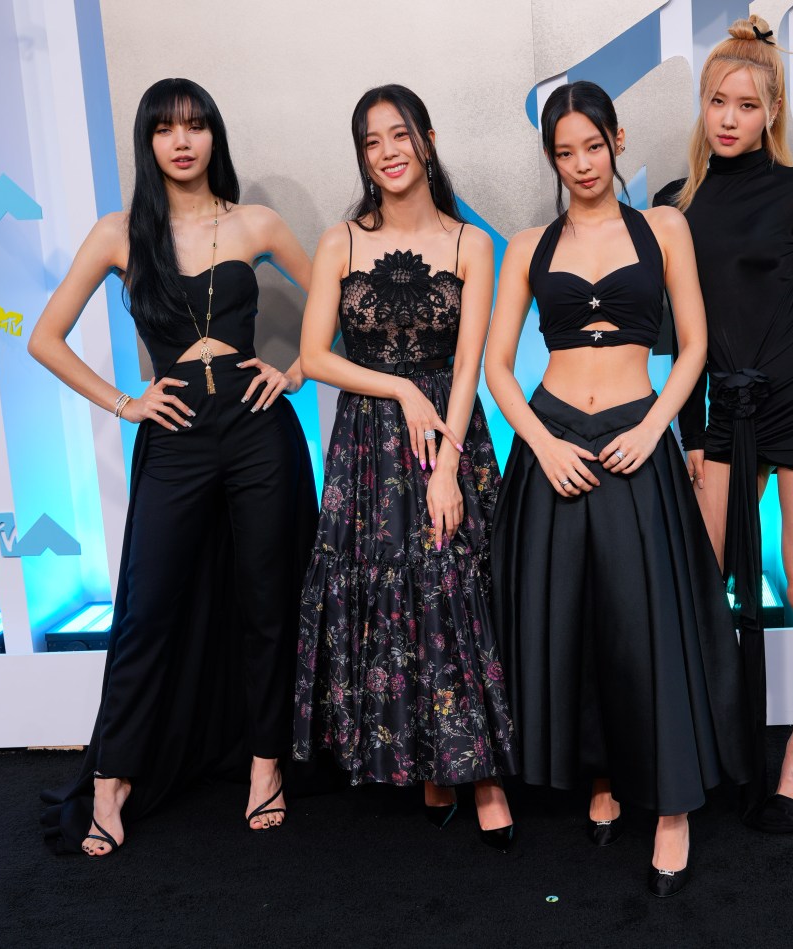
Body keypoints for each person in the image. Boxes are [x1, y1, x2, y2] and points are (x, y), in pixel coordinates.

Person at [30, 78, 317, 855]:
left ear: (215, 135)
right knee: (146, 608)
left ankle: (266, 764)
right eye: (166, 128)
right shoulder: (119, 234)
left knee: (268, 603)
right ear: (148, 142)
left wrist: (294, 371)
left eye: (195, 125)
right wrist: (126, 403)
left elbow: (337, 301)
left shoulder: (255, 223)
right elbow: (44, 337)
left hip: (258, 431)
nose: (182, 141)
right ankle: (111, 779)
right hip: (177, 433)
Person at [485, 80, 750, 896]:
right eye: (564, 153)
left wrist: (655, 425)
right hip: (554, 443)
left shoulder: (664, 227)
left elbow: (695, 344)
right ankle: (598, 776)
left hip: (638, 437)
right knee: (568, 623)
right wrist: (540, 442)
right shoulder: (528, 244)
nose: (581, 164)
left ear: (617, 140)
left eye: (592, 147)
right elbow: (497, 366)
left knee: (647, 626)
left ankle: (672, 808)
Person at [654, 15, 793, 833]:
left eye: (747, 105)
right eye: (718, 100)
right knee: (701, 582)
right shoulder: (673, 205)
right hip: (724, 411)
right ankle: (712, 743)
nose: (729, 118)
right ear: (702, 103)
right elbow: (678, 335)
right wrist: (688, 434)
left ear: (772, 113)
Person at [293, 84, 517, 851]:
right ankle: (427, 763)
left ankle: (482, 774)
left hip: (449, 438)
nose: (388, 152)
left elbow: (469, 365)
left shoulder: (469, 243)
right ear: (363, 157)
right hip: (369, 445)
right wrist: (397, 389)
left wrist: (447, 465)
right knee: (394, 601)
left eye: (399, 135)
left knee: (454, 587)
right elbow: (315, 356)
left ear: (427, 140)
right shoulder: (340, 242)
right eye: (371, 141)